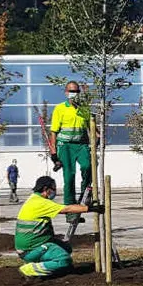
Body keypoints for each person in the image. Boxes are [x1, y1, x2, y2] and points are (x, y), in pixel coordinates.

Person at [15, 176, 102, 277]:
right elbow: (66, 209)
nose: (54, 192)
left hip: (31, 245)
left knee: (66, 248)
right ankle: (28, 269)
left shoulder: (34, 198)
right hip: (30, 249)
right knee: (64, 259)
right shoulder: (41, 203)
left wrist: (82, 208)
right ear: (45, 189)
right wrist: (89, 208)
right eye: (53, 189)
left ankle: (40, 262)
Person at [50, 81, 93, 219]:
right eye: (71, 91)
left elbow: (92, 129)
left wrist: (98, 138)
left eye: (76, 91)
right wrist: (54, 153)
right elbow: (53, 132)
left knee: (88, 166)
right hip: (65, 146)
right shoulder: (59, 108)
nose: (73, 94)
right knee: (69, 177)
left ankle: (85, 195)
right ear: (66, 92)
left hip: (81, 145)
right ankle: (70, 211)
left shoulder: (84, 109)